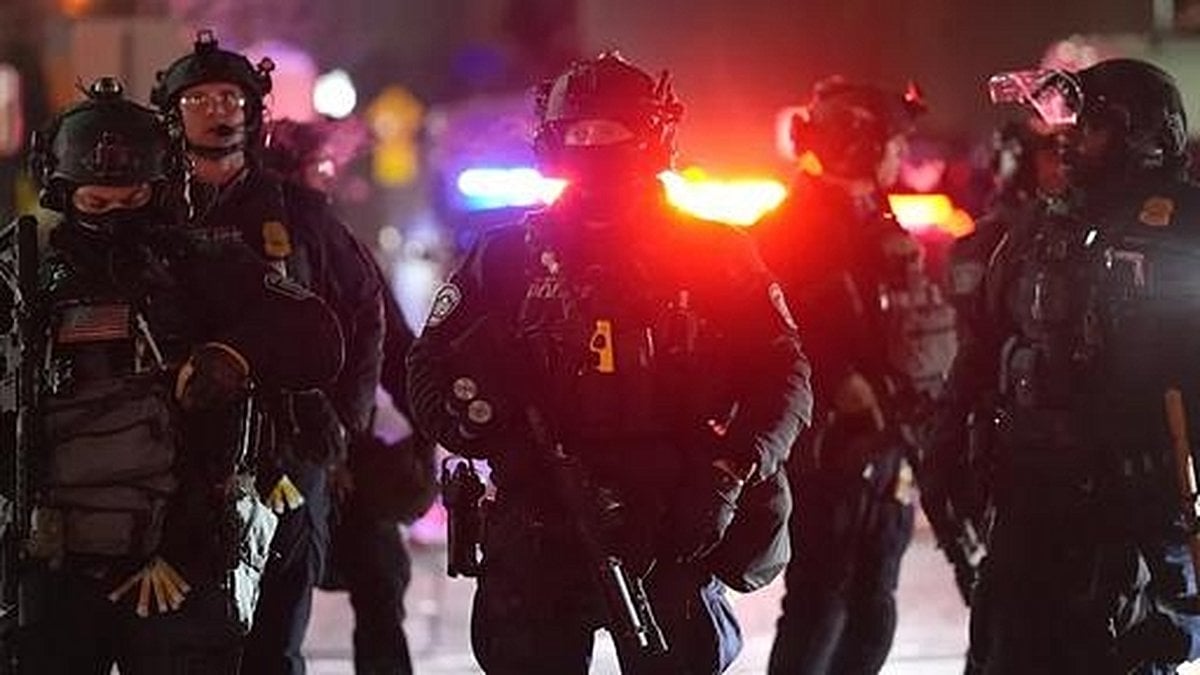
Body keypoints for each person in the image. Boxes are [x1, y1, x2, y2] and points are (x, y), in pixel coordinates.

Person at [406, 52, 811, 674]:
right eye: (580, 132)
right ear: (553, 141)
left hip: (675, 517)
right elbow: (429, 364)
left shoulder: (714, 253)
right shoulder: (507, 255)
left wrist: (730, 473)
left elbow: (785, 375)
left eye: (612, 130)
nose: (594, 145)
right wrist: (496, 440)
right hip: (540, 517)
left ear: (651, 136)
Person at [3, 77, 342, 674]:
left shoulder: (203, 264)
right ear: (62, 192)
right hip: (49, 566)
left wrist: (233, 355)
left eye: (132, 200)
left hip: (181, 561)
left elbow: (316, 335)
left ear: (162, 190)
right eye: (96, 204)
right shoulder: (19, 276)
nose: (115, 218)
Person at [933, 58, 1200, 672]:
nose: (1070, 140)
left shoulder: (1183, 226)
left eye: (1093, 126)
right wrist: (945, 445)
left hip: (1131, 508)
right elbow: (986, 342)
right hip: (1028, 499)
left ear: (1142, 134)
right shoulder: (1042, 224)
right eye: (1072, 125)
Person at [150, 30, 386, 675]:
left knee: (275, 638)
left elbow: (364, 308)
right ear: (172, 114)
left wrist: (343, 419)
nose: (218, 111)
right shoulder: (151, 214)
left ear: (253, 110)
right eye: (199, 100)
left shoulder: (298, 213)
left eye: (231, 98)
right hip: (178, 458)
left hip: (287, 455)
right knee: (184, 639)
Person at [755, 76, 954, 674]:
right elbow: (770, 331)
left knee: (872, 606)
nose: (900, 154)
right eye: (893, 142)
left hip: (890, 439)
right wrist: (840, 380)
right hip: (831, 450)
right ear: (859, 144)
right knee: (821, 602)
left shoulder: (876, 216)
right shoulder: (793, 226)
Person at [264, 117, 436, 675]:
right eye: (322, 166)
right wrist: (421, 433)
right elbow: (388, 344)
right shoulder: (328, 240)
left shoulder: (332, 243)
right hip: (297, 446)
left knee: (352, 584)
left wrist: (422, 432)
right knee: (354, 586)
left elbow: (388, 345)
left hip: (326, 445)